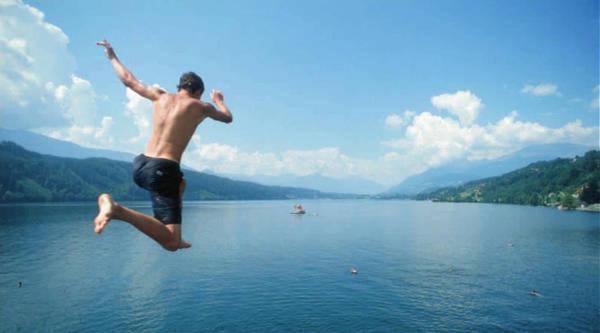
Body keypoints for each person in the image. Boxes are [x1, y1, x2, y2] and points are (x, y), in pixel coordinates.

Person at [93, 39, 232, 251]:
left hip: (141, 165)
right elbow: (227, 118)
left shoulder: (159, 95)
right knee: (171, 244)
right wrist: (219, 100)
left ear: (181, 87)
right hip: (163, 169)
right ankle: (117, 210)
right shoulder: (201, 106)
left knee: (181, 184)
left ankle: (176, 232)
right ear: (197, 91)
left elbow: (129, 80)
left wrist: (112, 56)